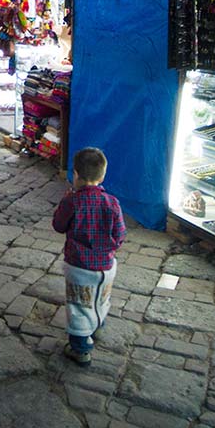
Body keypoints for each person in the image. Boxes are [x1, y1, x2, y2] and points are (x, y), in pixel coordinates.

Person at [53, 147, 127, 366]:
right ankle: (98, 325)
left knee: (78, 305)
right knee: (101, 297)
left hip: (78, 265)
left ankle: (81, 348)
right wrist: (110, 248)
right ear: (102, 176)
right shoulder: (112, 202)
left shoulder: (72, 201)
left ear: (75, 174)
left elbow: (58, 225)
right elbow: (120, 234)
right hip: (106, 265)